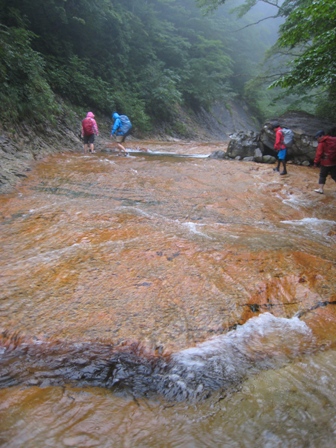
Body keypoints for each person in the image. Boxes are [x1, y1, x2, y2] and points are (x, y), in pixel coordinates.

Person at [313, 130, 336, 194]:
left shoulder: (322, 143)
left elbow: (319, 154)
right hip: (334, 162)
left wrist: (315, 162)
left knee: (322, 175)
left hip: (325, 162)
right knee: (334, 175)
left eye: (318, 137)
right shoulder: (332, 140)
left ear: (321, 136)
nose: (317, 139)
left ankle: (320, 189)